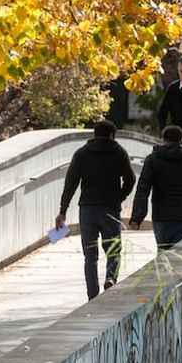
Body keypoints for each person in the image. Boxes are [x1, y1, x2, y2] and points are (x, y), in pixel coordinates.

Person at [55, 120, 136, 300]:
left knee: (90, 255)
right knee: (113, 249)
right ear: (111, 135)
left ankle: (92, 294)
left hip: (87, 210)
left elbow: (70, 184)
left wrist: (63, 210)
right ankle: (110, 278)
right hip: (110, 208)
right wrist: (120, 196)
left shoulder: (82, 153)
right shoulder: (119, 152)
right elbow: (130, 179)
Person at [129, 126, 182, 250]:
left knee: (163, 255)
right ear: (181, 140)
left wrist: (136, 219)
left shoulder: (152, 160)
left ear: (163, 140)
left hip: (161, 217)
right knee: (181, 257)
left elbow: (143, 190)